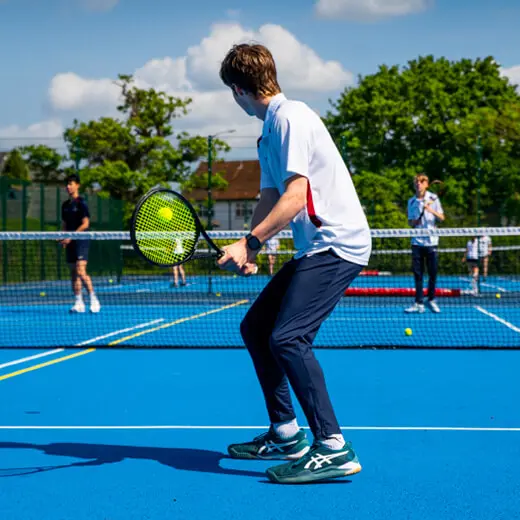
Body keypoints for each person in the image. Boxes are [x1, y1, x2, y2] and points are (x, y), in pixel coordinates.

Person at [216, 43, 372, 484]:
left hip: (337, 243)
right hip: (315, 247)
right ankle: (286, 433)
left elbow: (296, 196)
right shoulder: (268, 132)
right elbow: (270, 198)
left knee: (288, 338)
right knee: (256, 329)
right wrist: (253, 247)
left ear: (238, 90)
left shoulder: (292, 118)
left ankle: (333, 447)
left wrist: (250, 241)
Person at [60, 174, 100, 313]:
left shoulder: (81, 203)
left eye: (71, 184)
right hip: (70, 241)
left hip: (81, 240)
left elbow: (86, 224)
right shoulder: (65, 205)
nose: (68, 187)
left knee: (81, 271)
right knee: (73, 273)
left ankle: (94, 299)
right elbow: (64, 224)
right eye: (67, 184)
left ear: (77, 185)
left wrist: (72, 236)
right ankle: (79, 302)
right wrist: (63, 237)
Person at [405, 174, 445, 314]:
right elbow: (410, 222)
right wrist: (414, 222)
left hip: (431, 242)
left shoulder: (434, 199)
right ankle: (419, 302)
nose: (419, 183)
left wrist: (431, 210)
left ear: (427, 184)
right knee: (418, 274)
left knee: (432, 273)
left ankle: (431, 299)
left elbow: (441, 218)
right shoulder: (411, 202)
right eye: (416, 181)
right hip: (417, 242)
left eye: (422, 181)